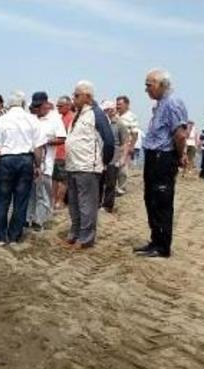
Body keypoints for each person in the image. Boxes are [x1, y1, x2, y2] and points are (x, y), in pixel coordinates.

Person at [135, 68, 189, 258]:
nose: (146, 89)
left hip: (163, 157)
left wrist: (180, 155)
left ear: (161, 84)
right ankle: (155, 240)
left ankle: (163, 246)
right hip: (153, 156)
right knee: (150, 199)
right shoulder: (161, 104)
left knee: (162, 201)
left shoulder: (173, 103)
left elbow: (180, 134)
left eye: (149, 85)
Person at [0, 91, 45, 245]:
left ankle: (0, 235)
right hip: (26, 160)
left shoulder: (3, 120)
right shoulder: (32, 120)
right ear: (23, 104)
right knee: (21, 200)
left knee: (2, 199)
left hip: (7, 160)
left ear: (8, 104)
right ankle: (14, 236)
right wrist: (38, 165)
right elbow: (38, 147)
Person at [64, 81, 114, 249]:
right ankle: (75, 233)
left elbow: (109, 141)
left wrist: (104, 162)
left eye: (77, 95)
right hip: (72, 166)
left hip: (88, 167)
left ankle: (86, 238)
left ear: (88, 97)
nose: (74, 98)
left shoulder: (97, 114)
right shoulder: (78, 114)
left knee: (87, 205)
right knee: (74, 204)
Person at [27, 92, 67, 230]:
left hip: (46, 163)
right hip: (29, 163)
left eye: (39, 106)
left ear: (46, 104)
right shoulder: (31, 117)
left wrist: (46, 142)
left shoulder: (55, 119)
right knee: (30, 192)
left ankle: (40, 221)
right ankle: (28, 218)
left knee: (44, 193)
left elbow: (62, 138)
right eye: (35, 107)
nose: (37, 109)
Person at [101, 100, 130, 213]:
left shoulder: (119, 124)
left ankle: (108, 206)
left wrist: (122, 158)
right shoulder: (103, 123)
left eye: (108, 110)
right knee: (100, 181)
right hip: (102, 157)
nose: (107, 112)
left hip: (114, 157)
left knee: (111, 182)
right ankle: (99, 203)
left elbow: (125, 142)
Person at [53, 95, 75, 209]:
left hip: (63, 152)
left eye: (60, 106)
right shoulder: (62, 118)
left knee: (61, 179)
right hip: (58, 153)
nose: (58, 108)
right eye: (57, 106)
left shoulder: (70, 118)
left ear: (68, 106)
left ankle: (58, 201)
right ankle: (56, 201)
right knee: (58, 179)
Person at [116, 95, 139, 194]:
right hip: (116, 146)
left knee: (123, 169)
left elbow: (135, 133)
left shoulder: (131, 117)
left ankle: (122, 188)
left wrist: (132, 146)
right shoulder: (116, 116)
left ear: (126, 104)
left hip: (126, 145)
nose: (118, 106)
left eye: (120, 104)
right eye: (117, 104)